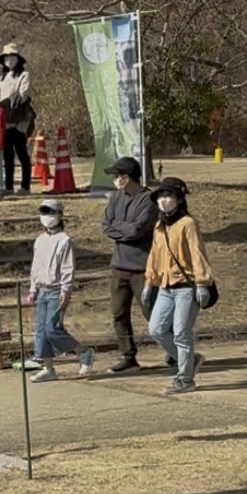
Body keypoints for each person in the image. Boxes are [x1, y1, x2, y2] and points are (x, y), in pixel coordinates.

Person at [142, 176, 215, 397]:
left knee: (182, 332)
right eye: (162, 196)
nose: (165, 200)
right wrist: (149, 282)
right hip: (165, 286)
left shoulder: (188, 224)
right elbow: (155, 256)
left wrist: (202, 283)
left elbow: (197, 253)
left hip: (186, 286)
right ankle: (190, 360)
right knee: (156, 329)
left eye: (169, 195)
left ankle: (185, 378)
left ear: (179, 199)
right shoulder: (159, 226)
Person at [18, 200, 96, 383]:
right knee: (41, 330)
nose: (46, 216)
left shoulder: (64, 240)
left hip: (56, 290)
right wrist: (32, 288)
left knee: (53, 328)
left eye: (50, 212)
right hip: (41, 290)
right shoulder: (40, 240)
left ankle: (83, 352)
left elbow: (68, 267)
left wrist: (66, 289)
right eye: (43, 212)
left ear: (59, 215)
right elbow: (35, 268)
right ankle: (48, 368)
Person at [101, 156, 162, 375]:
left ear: (127, 177)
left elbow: (138, 230)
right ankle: (127, 355)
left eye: (117, 176)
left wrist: (121, 229)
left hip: (142, 268)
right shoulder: (115, 198)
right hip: (119, 266)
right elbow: (106, 226)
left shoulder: (148, 199)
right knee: (119, 314)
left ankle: (174, 350)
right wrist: (122, 229)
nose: (115, 180)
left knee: (152, 313)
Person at [0, 44, 34, 193]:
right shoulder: (2, 77)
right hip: (4, 120)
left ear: (18, 59)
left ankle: (25, 186)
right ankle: (9, 186)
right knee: (8, 155)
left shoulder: (24, 75)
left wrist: (5, 102)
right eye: (7, 58)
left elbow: (23, 95)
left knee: (22, 153)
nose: (9, 61)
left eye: (12, 58)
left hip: (19, 120)